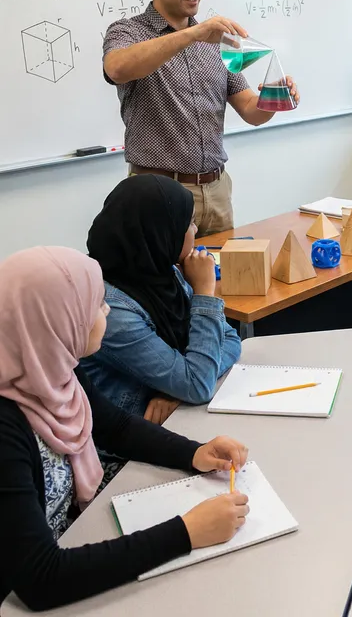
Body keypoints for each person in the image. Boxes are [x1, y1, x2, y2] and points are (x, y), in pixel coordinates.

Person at [0, 247, 251, 611]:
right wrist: (186, 532)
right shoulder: (6, 427)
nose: (107, 311)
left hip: (71, 538)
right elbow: (41, 579)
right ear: (56, 321)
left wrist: (194, 452)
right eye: (96, 305)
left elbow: (114, 426)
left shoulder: (52, 370)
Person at [102, 0, 300, 236]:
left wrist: (273, 98)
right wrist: (193, 34)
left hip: (217, 190)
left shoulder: (215, 40)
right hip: (159, 193)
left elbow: (249, 109)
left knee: (223, 279)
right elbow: (117, 68)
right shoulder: (127, 31)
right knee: (168, 283)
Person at [81, 175, 241, 427]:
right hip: (123, 447)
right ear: (159, 232)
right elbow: (199, 384)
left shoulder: (163, 272)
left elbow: (231, 339)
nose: (196, 230)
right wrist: (204, 293)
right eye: (189, 223)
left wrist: (176, 391)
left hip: (172, 420)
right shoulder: (110, 309)